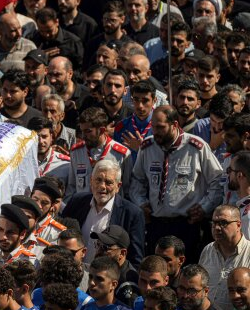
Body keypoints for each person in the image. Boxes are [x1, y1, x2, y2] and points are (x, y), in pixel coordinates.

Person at [130, 106, 223, 262]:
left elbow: (218, 181)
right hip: (156, 224)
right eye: (153, 127)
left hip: (186, 224)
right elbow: (137, 180)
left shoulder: (196, 147)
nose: (155, 132)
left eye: (160, 127)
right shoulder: (147, 147)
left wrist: (204, 207)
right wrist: (141, 204)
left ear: (174, 124)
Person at [62, 159, 145, 265]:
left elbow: (136, 259)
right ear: (91, 181)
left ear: (118, 186)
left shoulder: (132, 214)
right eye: (98, 180)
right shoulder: (77, 202)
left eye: (108, 182)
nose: (102, 186)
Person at [66, 107, 132, 198]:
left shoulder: (122, 154)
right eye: (81, 131)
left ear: (101, 130)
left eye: (88, 131)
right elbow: (72, 187)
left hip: (110, 209)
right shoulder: (76, 151)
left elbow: (127, 188)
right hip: (83, 208)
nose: (83, 136)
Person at [199, 205, 250, 310]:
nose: (217, 228)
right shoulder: (208, 250)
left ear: (238, 225)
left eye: (223, 223)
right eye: (214, 223)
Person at [27, 117, 70, 188]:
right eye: (35, 137)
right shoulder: (21, 163)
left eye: (44, 137)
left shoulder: (65, 164)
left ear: (51, 137)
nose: (40, 141)